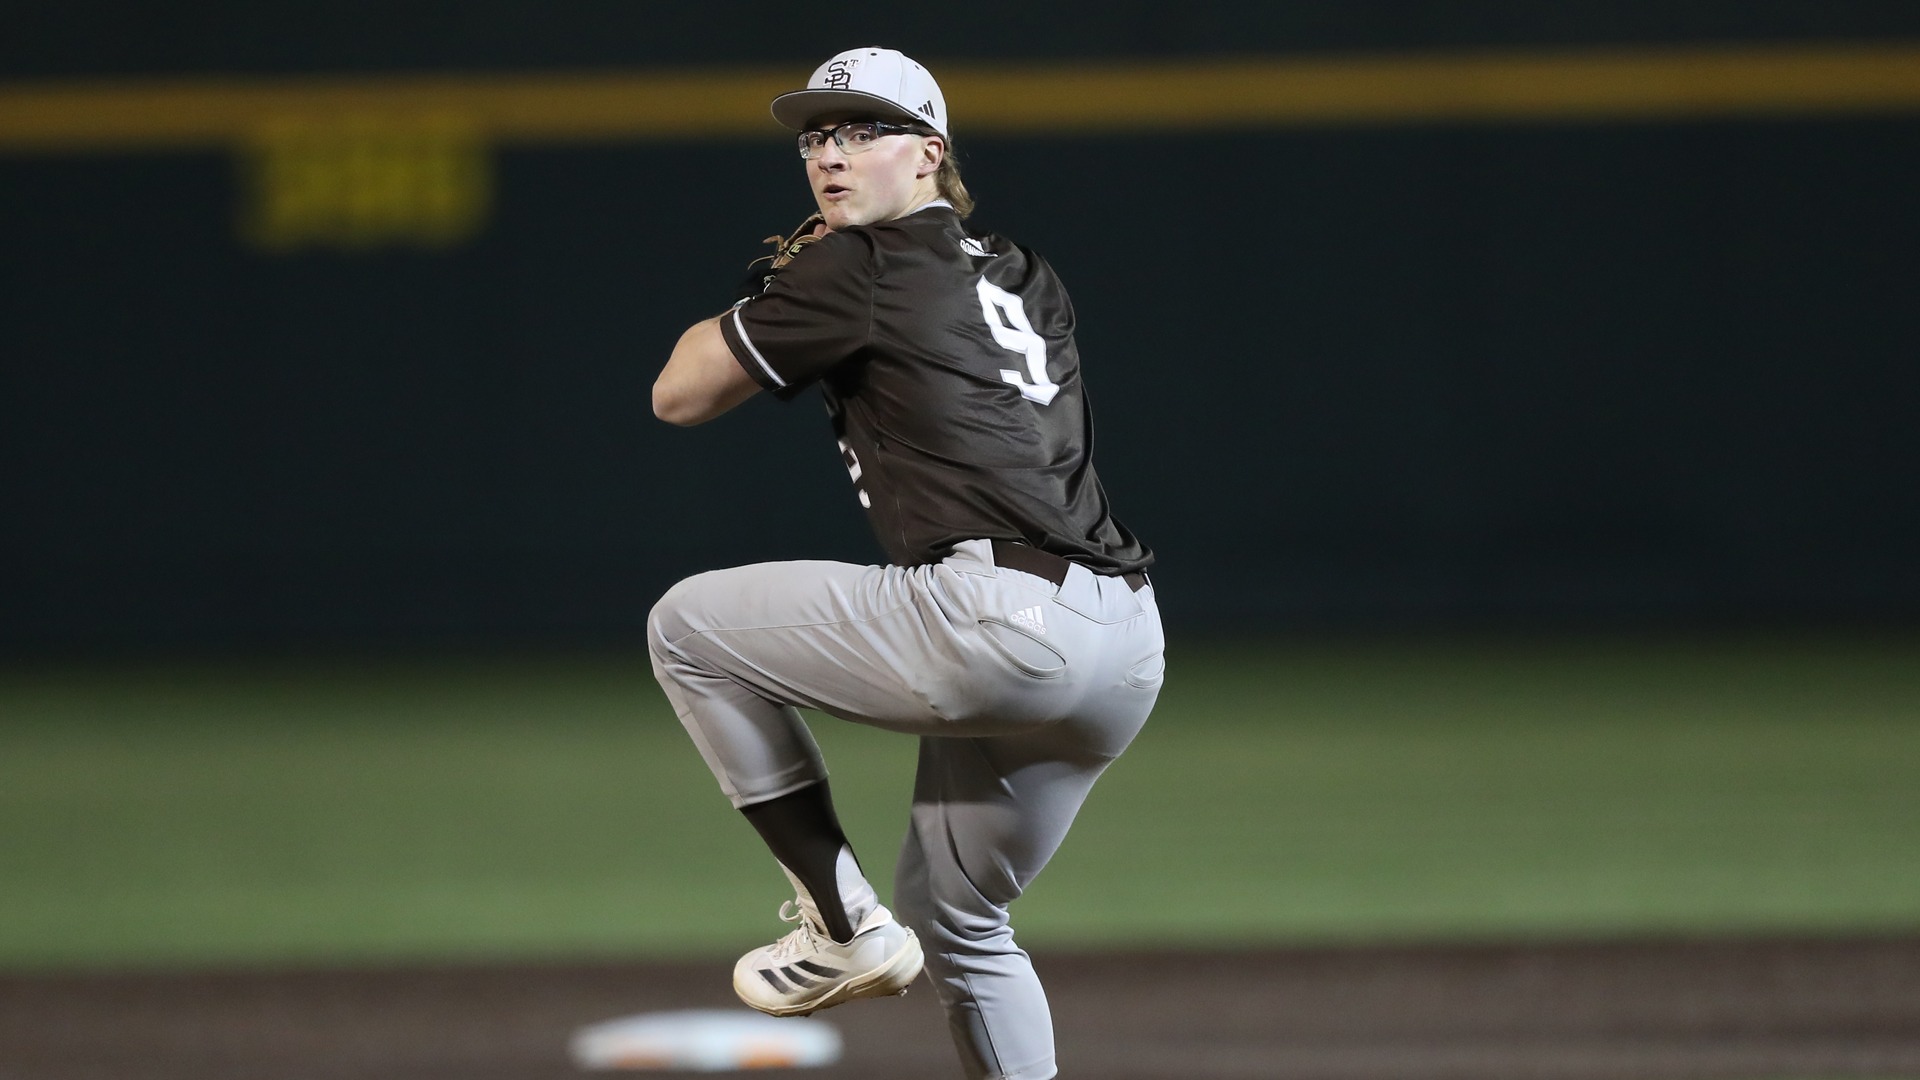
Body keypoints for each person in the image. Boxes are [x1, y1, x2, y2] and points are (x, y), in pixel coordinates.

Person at [646, 46, 1165, 1080]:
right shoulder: (1023, 271)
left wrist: (771, 293)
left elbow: (680, 393)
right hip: (1126, 643)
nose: (830, 155)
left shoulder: (861, 264)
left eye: (862, 132)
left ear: (929, 153)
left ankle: (841, 924)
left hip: (997, 621)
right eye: (816, 138)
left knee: (688, 627)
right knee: (962, 922)